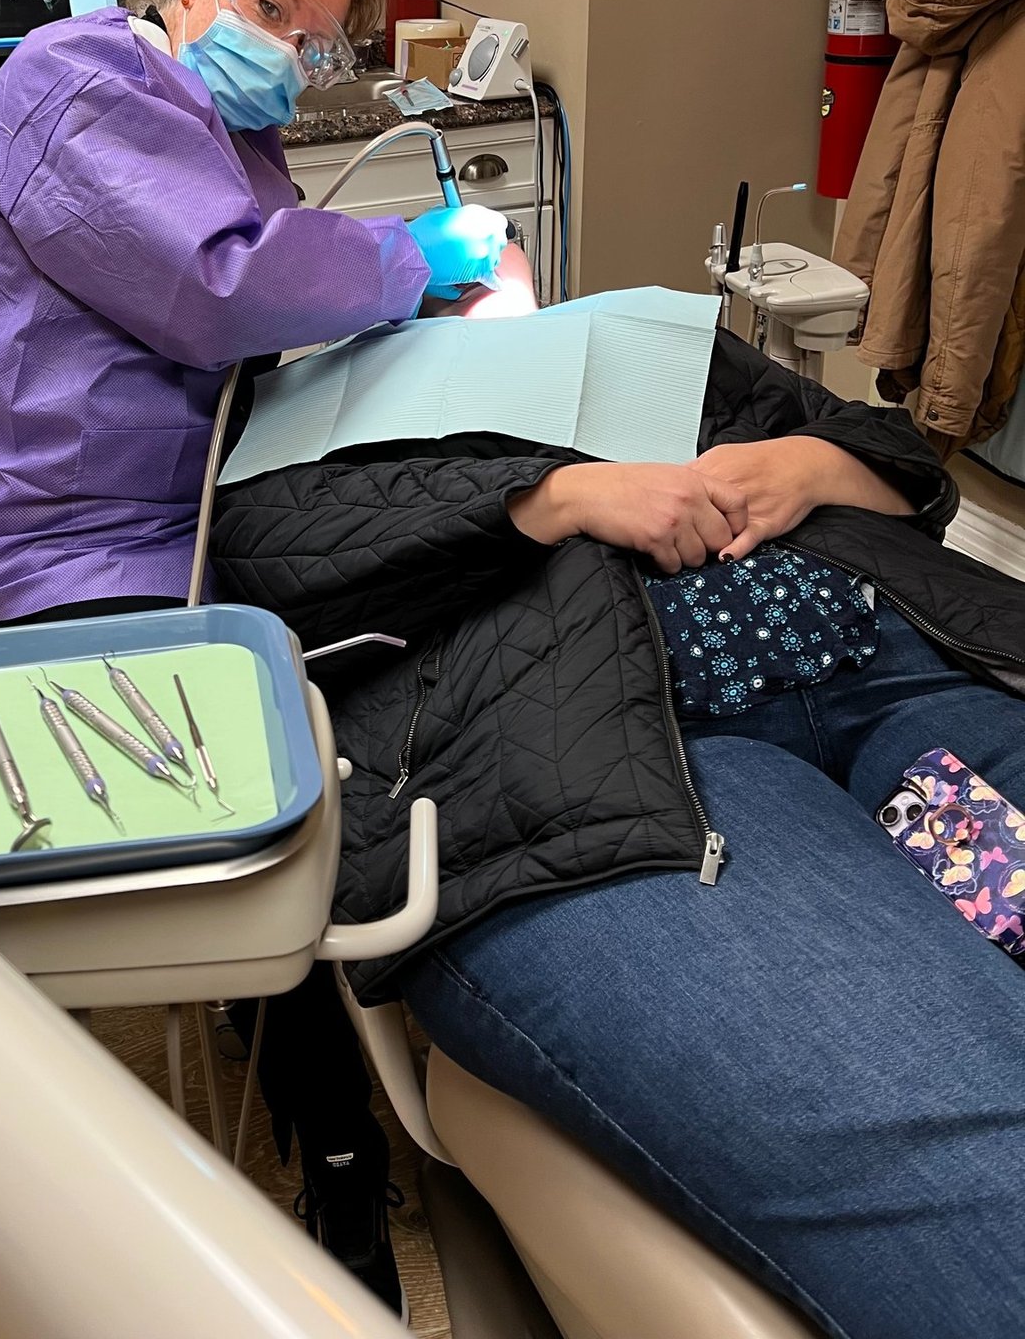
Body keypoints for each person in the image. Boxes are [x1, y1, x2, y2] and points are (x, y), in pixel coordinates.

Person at [0, 0, 508, 1313]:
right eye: (268, 11)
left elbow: (274, 303)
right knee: (254, 772)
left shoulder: (221, 126)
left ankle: (335, 987)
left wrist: (415, 302)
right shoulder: (74, 84)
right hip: (54, 533)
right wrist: (415, 258)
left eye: (314, 38)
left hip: (181, 504)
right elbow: (222, 288)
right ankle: (338, 1150)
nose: (288, 52)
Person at [210, 316, 1025, 1339]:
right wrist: (550, 498)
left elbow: (904, 463)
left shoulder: (638, 334)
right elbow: (267, 562)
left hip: (905, 676)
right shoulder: (298, 410)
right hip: (599, 756)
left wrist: (814, 466)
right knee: (959, 1127)